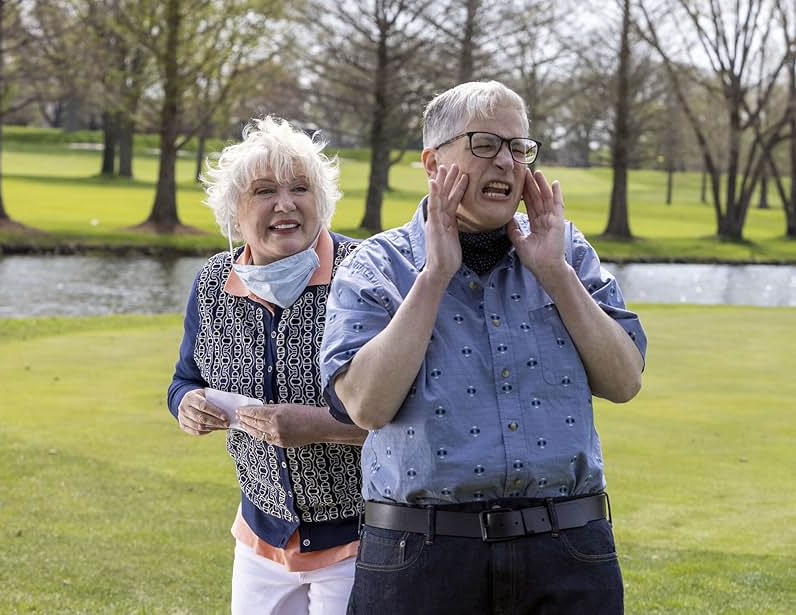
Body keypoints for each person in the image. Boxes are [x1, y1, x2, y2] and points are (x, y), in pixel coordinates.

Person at [320, 81, 647, 614]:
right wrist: (433, 277)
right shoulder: (377, 266)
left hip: (567, 549)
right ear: (431, 161)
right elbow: (366, 405)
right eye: (484, 144)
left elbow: (624, 381)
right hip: (420, 555)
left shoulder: (567, 252)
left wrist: (555, 274)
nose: (506, 162)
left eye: (519, 148)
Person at [168, 116, 367, 615]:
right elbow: (184, 380)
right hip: (260, 535)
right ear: (235, 213)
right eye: (264, 191)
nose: (285, 203)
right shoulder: (213, 282)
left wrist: (319, 426)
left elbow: (416, 412)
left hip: (362, 538)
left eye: (300, 188)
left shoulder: (365, 276)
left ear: (319, 202)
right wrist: (186, 405)